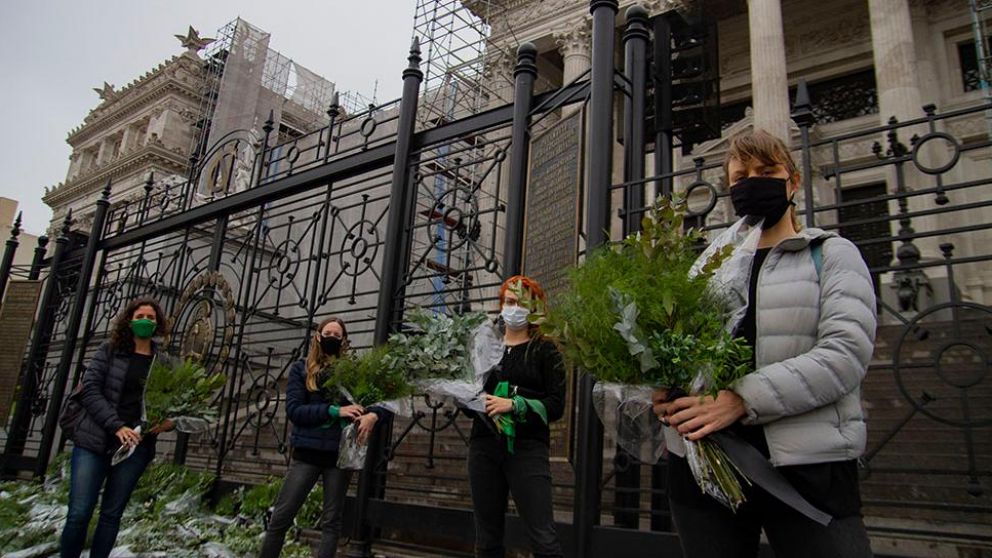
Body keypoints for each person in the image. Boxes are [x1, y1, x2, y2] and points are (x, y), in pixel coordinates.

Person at [653, 129, 877, 558]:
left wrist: (741, 399)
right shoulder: (706, 267)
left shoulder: (831, 254)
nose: (752, 181)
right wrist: (663, 391)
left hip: (806, 471)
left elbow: (845, 354)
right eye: (740, 177)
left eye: (766, 171)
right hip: (704, 465)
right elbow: (677, 347)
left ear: (793, 181)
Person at [259, 316, 384, 558]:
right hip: (307, 454)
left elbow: (379, 399)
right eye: (328, 334)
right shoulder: (301, 369)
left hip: (338, 457)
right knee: (281, 517)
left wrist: (373, 416)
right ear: (318, 335)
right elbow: (294, 411)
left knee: (332, 523)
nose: (332, 339)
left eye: (337, 336)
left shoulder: (352, 372)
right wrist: (333, 410)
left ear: (344, 341)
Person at [61, 298, 173, 558]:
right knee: (79, 512)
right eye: (140, 316)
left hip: (135, 447)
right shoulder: (109, 350)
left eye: (151, 317)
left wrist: (169, 422)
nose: (146, 321)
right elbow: (90, 390)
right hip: (95, 440)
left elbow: (169, 400)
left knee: (111, 515)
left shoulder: (163, 362)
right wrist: (116, 426)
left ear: (158, 324)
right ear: (129, 320)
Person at [468, 275, 566, 558]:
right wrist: (468, 398)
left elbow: (556, 405)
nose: (515, 308)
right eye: (510, 301)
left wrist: (515, 404)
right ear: (501, 304)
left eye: (523, 303)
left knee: (543, 537)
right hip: (484, 447)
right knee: (486, 538)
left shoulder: (546, 349)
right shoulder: (486, 348)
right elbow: (470, 396)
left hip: (527, 449)